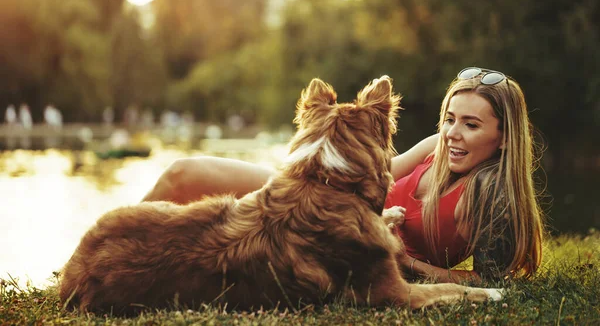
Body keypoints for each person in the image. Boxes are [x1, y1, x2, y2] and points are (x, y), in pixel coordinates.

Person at [142, 67, 545, 284]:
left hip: (343, 235)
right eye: (450, 119)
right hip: (322, 198)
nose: (453, 134)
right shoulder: (439, 146)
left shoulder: (490, 194)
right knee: (182, 173)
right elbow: (378, 170)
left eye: (471, 125)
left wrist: (410, 265)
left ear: (505, 136)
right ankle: (93, 255)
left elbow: (490, 281)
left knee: (193, 189)